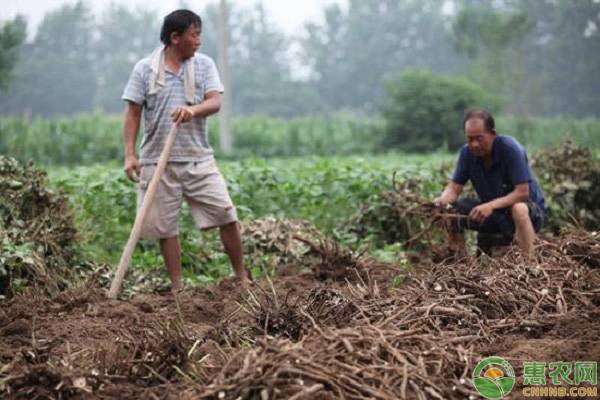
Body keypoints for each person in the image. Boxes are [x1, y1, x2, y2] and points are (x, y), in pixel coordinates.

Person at [121, 9, 250, 290]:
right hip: (157, 161)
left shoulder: (204, 66)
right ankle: (178, 289)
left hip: (197, 158)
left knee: (226, 214)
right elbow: (133, 113)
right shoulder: (145, 69)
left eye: (199, 34)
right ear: (175, 38)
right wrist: (130, 154)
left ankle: (241, 277)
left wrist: (192, 111)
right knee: (165, 228)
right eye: (194, 35)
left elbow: (215, 102)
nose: (199, 41)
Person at [434, 109, 546, 256]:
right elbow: (454, 189)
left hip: (528, 215)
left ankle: (530, 264)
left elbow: (522, 193)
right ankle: (459, 263)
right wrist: (440, 202)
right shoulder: (467, 154)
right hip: (493, 214)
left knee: (519, 208)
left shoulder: (511, 149)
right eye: (470, 139)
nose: (474, 144)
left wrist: (490, 205)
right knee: (452, 211)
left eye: (479, 138)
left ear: (493, 134)